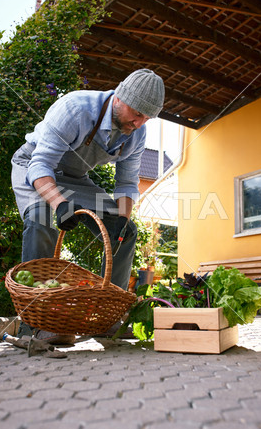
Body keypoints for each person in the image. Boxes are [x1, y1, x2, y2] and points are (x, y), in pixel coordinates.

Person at [11, 69, 165, 342]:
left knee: (126, 232)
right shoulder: (75, 109)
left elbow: (127, 183)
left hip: (75, 180)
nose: (139, 122)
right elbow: (40, 164)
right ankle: (32, 325)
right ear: (120, 97)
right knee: (41, 218)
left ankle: (108, 319)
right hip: (33, 168)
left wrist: (122, 218)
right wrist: (59, 204)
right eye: (137, 113)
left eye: (146, 117)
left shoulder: (136, 134)